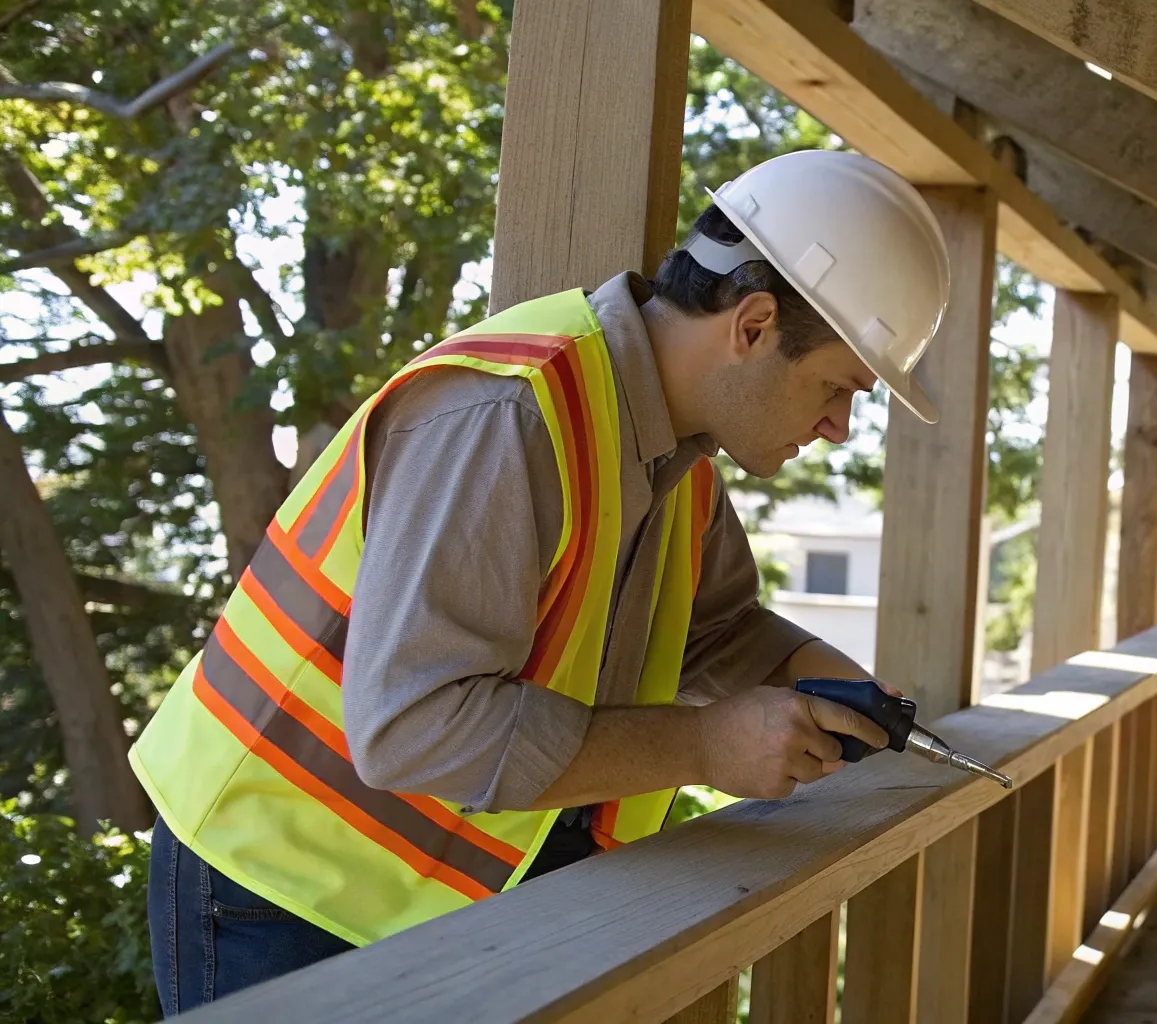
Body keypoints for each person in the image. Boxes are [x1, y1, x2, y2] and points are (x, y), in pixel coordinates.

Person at [128, 150, 953, 1014]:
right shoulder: (511, 414)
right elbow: (414, 727)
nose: (837, 427)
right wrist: (708, 747)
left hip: (431, 896)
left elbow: (716, 633)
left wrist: (841, 694)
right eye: (836, 387)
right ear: (751, 325)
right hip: (274, 880)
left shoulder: (682, 464)